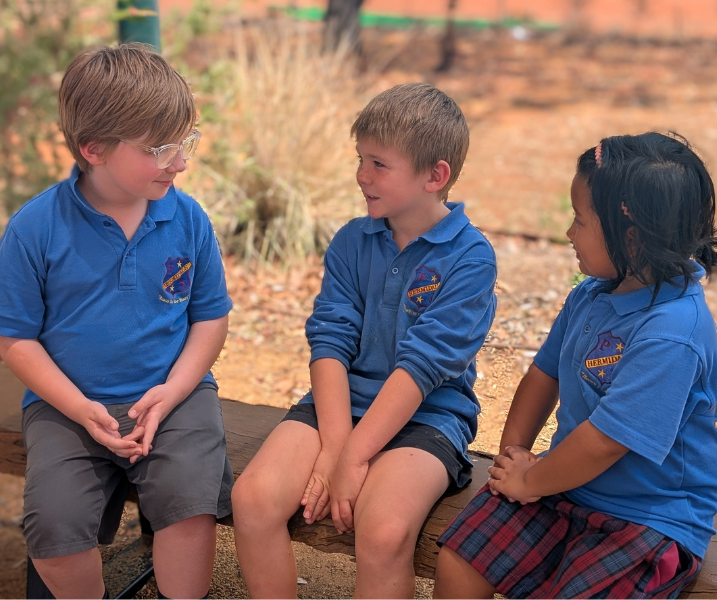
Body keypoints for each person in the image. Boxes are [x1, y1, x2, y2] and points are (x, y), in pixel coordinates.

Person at [433, 132, 717, 599]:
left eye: (579, 220)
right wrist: (514, 457)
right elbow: (543, 375)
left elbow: (603, 444)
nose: (569, 233)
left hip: (647, 517)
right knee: (459, 559)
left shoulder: (673, 333)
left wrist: (531, 480)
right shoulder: (592, 294)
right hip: (564, 485)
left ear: (631, 239)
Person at [232, 82, 497, 598]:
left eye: (378, 164)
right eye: (360, 160)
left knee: (383, 531)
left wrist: (351, 459)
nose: (361, 176)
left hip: (426, 417)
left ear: (434, 176)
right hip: (337, 407)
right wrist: (336, 445)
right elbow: (329, 341)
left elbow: (423, 368)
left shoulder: (470, 257)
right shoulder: (353, 240)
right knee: (252, 499)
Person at [0, 43, 233, 599]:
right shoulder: (34, 229)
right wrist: (82, 409)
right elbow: (16, 341)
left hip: (174, 395)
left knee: (188, 506)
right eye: (161, 149)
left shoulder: (188, 217)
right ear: (93, 148)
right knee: (53, 529)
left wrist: (173, 390)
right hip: (68, 404)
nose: (180, 161)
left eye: (185, 143)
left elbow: (210, 320)